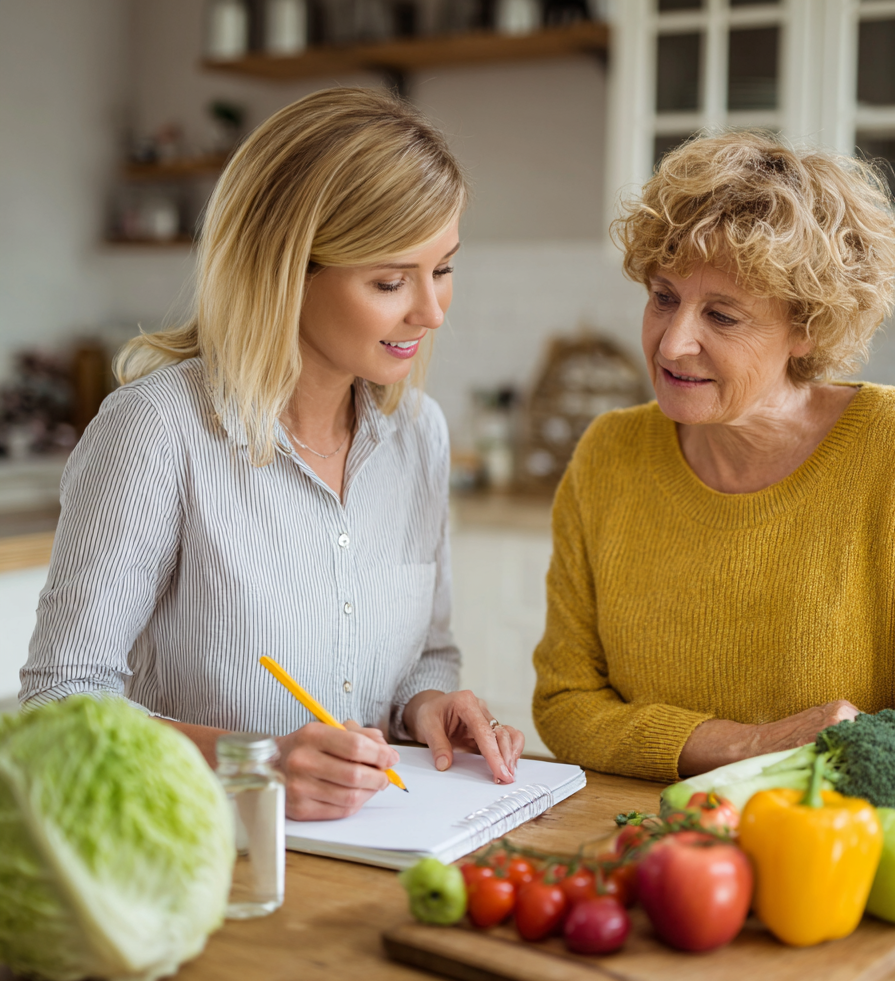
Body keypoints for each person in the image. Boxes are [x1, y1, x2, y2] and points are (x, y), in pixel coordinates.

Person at [21, 88, 525, 818]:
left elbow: (426, 655)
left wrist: (428, 705)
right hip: (200, 856)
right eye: (390, 280)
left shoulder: (420, 433)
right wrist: (253, 765)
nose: (432, 309)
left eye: (443, 267)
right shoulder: (156, 431)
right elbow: (58, 708)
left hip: (369, 861)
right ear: (287, 268)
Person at [533, 131, 895, 783]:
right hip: (655, 854)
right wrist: (750, 743)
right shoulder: (608, 455)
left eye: (724, 316)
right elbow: (565, 706)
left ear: (809, 326)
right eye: (664, 297)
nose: (673, 343)